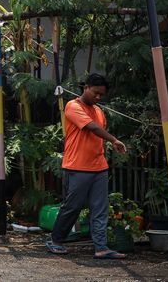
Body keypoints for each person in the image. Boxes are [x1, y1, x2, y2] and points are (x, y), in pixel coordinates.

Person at [46, 73, 128, 259]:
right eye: (95, 93)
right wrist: (114, 140)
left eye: (101, 95)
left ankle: (101, 248)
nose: (98, 97)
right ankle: (56, 241)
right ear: (86, 87)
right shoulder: (73, 106)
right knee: (72, 207)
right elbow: (92, 128)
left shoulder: (99, 110)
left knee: (100, 208)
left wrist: (107, 150)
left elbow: (97, 136)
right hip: (77, 167)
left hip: (99, 167)